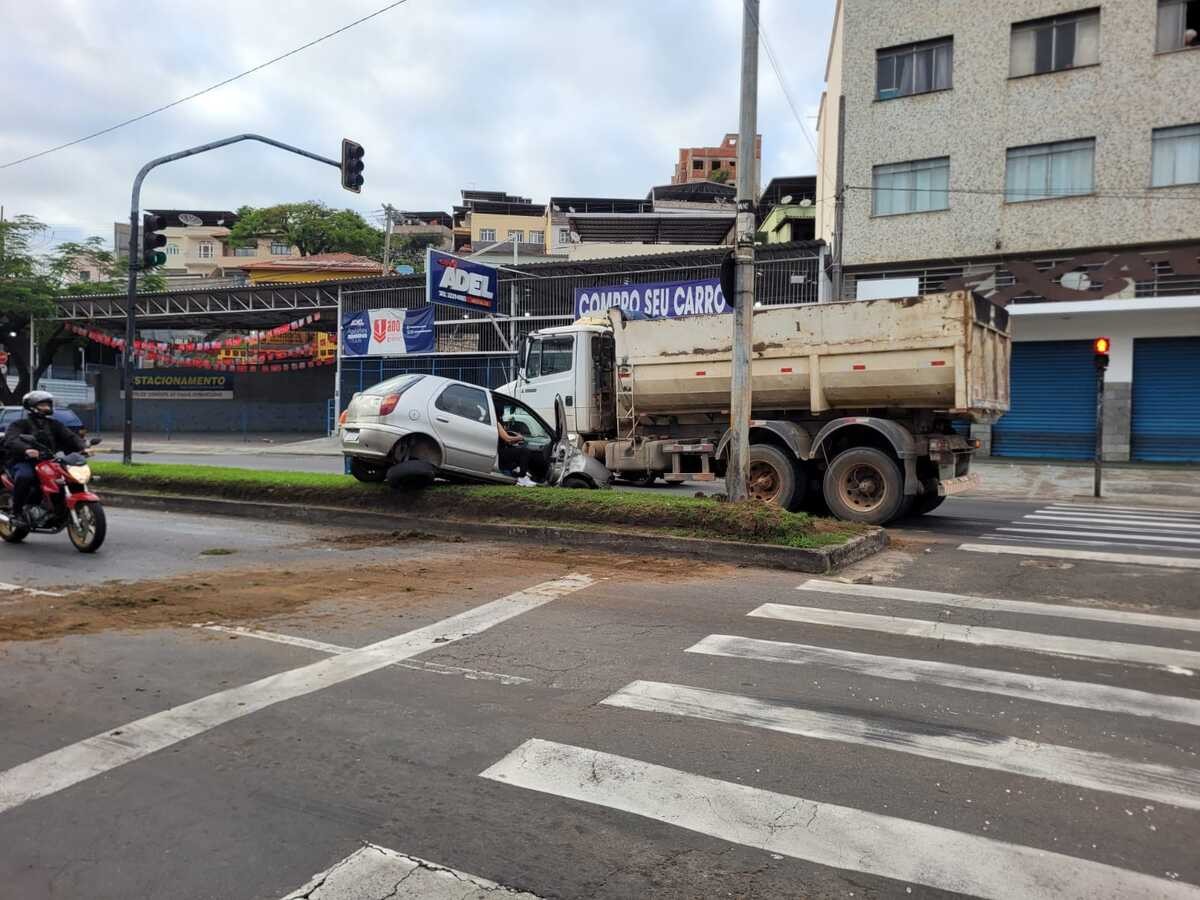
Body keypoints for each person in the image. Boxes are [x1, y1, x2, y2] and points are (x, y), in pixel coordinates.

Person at [3, 391, 85, 527]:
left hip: (48, 461)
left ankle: (57, 508)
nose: (47, 407)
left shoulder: (54, 424)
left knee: (67, 476)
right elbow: (11, 439)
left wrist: (83, 446)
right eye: (43, 405)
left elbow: (70, 437)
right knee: (25, 476)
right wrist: (26, 449)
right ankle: (16, 513)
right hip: (24, 461)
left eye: (48, 404)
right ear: (31, 406)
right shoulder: (19, 424)